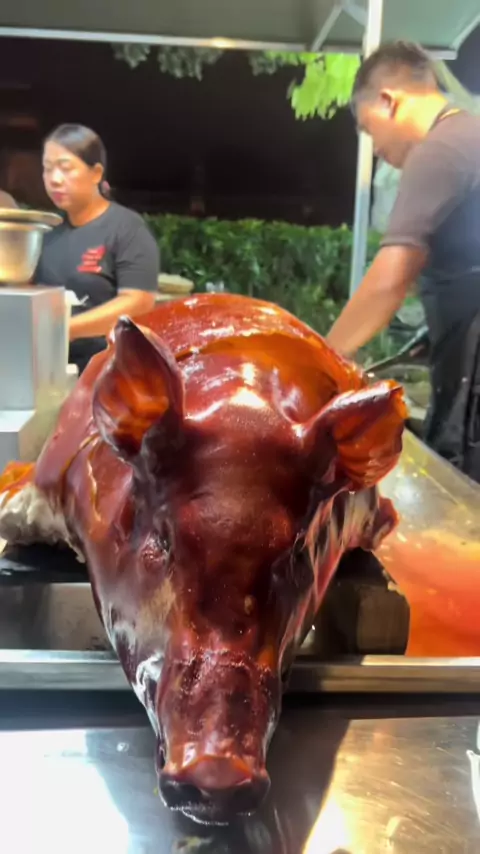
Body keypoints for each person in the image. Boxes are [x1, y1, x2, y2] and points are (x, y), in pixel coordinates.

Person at [326, 41, 480, 482]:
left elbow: (389, 280)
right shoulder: (469, 135)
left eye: (368, 128)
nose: (375, 147)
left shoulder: (440, 150)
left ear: (388, 101)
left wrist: (321, 359)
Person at [34, 123, 159, 373]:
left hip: (110, 373)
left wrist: (66, 328)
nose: (54, 179)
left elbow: (139, 302)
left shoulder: (127, 228)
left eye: (65, 168)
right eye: (47, 169)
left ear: (96, 173)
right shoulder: (48, 233)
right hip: (49, 369)